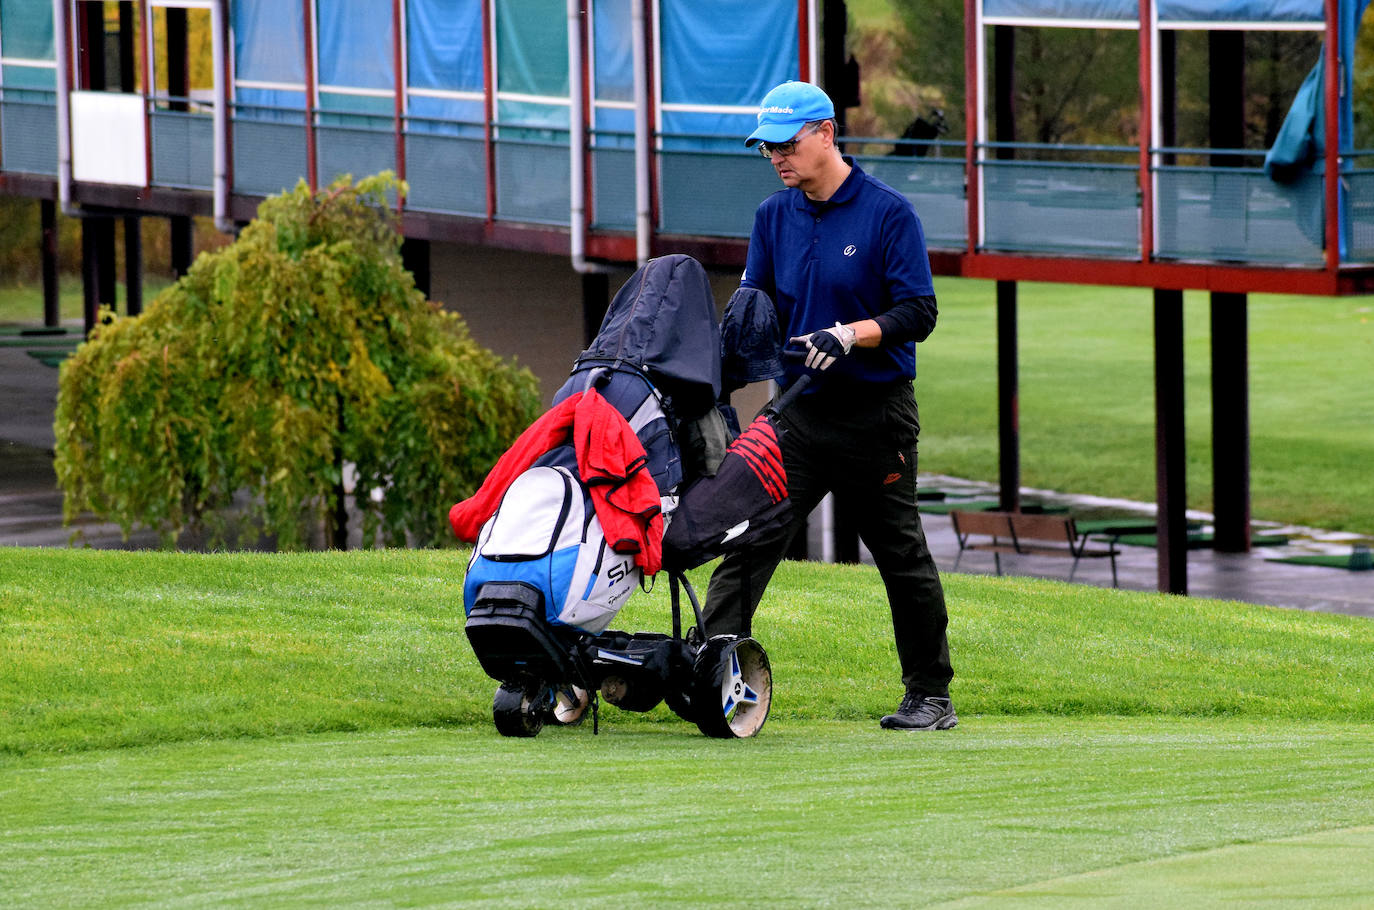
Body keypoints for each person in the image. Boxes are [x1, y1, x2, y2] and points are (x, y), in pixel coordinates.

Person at [700, 81, 956, 731]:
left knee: (900, 557)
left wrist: (849, 334)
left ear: (825, 134)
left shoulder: (888, 214)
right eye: (768, 150)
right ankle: (709, 674)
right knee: (749, 540)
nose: (779, 159)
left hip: (875, 416)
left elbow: (918, 312)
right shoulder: (772, 217)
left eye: (788, 144)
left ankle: (930, 695)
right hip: (799, 414)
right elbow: (756, 305)